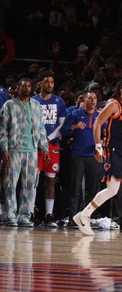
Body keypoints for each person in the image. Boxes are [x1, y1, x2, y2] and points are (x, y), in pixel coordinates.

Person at [72, 80, 122, 238]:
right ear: (121, 90)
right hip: (112, 150)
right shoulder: (114, 105)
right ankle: (83, 215)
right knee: (113, 190)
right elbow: (97, 123)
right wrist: (98, 147)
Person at [0, 77, 48, 227]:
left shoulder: (36, 106)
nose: (26, 88)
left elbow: (41, 128)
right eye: (23, 86)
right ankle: (9, 215)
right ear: (18, 88)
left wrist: (44, 147)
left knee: (29, 185)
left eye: (29, 86)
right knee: (10, 184)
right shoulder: (9, 105)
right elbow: (2, 130)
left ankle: (24, 216)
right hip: (14, 149)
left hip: (32, 150)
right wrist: (4, 148)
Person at [61, 91, 101, 224]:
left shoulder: (99, 116)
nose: (93, 100)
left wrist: (104, 142)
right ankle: (73, 218)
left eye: (95, 98)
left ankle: (88, 218)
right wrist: (75, 126)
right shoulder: (75, 114)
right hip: (77, 155)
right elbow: (64, 131)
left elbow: (106, 132)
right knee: (75, 188)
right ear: (85, 100)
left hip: (94, 156)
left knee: (93, 189)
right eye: (90, 98)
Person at [32, 71, 66, 226]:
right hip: (34, 145)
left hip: (52, 145)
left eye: (52, 82)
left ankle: (49, 214)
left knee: (50, 181)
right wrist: (39, 139)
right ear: (40, 83)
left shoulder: (59, 102)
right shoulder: (33, 101)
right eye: (46, 82)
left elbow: (61, 125)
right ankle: (30, 212)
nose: (49, 85)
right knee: (32, 180)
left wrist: (48, 138)